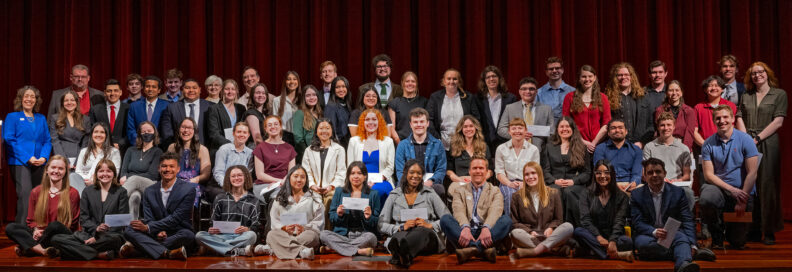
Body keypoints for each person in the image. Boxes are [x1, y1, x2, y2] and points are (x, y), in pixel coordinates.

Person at [631, 158, 715, 272]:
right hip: (648, 235)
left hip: (672, 233)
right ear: (644, 176)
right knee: (643, 245)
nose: (654, 175)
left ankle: (683, 265)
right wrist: (654, 232)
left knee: (681, 237)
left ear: (665, 173)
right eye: (650, 172)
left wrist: (693, 244)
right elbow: (637, 222)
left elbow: (687, 220)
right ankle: (685, 252)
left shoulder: (678, 192)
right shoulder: (637, 194)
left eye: (658, 171)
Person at [736, 62, 786, 245]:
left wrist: (757, 139)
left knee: (767, 186)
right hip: (748, 142)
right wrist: (745, 140)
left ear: (767, 73)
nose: (757, 75)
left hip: (768, 143)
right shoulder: (746, 95)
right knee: (750, 187)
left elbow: (778, 122)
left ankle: (769, 230)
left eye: (760, 72)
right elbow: (739, 116)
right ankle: (753, 229)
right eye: (753, 73)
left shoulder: (779, 94)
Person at [700, 105, 759, 249]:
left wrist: (742, 198)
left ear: (732, 119)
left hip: (742, 192)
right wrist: (731, 189)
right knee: (706, 199)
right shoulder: (708, 143)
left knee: (737, 242)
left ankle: (731, 230)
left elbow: (752, 173)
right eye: (718, 118)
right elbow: (708, 175)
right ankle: (717, 235)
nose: (722, 121)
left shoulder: (746, 140)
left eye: (725, 117)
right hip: (720, 189)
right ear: (714, 121)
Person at [120, 152, 194, 260]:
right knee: (129, 230)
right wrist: (157, 231)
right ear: (159, 169)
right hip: (155, 233)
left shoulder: (188, 189)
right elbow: (149, 218)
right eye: (164, 166)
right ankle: (167, 253)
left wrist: (149, 227)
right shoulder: (149, 191)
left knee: (188, 235)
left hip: (177, 231)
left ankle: (142, 250)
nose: (167, 169)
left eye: (171, 166)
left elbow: (176, 218)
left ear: (178, 169)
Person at [49, 159, 128, 260]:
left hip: (110, 235)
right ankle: (98, 254)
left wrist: (97, 237)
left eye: (108, 171)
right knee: (56, 239)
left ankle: (72, 252)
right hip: (88, 234)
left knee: (115, 240)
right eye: (101, 171)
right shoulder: (87, 191)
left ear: (114, 174)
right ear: (96, 173)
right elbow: (84, 218)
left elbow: (122, 220)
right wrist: (96, 230)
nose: (105, 174)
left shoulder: (121, 192)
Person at [378, 159, 449, 268]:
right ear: (405, 173)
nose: (415, 176)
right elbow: (381, 225)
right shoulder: (394, 195)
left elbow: (448, 218)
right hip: (403, 232)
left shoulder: (430, 193)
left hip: (427, 235)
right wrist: (400, 227)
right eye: (412, 172)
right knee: (399, 237)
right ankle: (404, 256)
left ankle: (400, 253)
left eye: (419, 173)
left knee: (420, 232)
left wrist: (431, 225)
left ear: (422, 176)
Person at [440, 157, 511, 264]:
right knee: (445, 219)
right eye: (474, 168)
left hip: (487, 233)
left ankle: (470, 250)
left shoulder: (495, 190)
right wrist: (465, 227)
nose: (478, 171)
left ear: (487, 172)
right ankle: (482, 251)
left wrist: (486, 227)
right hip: (465, 233)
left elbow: (496, 211)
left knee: (506, 221)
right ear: (469, 171)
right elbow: (458, 210)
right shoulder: (459, 190)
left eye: (481, 168)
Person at [5, 155, 79, 257]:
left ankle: (31, 248)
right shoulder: (36, 191)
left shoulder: (73, 193)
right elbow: (30, 220)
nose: (56, 171)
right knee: (11, 227)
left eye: (61, 168)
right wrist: (36, 230)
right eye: (53, 167)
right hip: (39, 233)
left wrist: (45, 232)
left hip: (60, 235)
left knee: (55, 225)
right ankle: (43, 251)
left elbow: (73, 223)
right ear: (47, 170)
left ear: (66, 171)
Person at [4, 86, 52, 223]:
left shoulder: (41, 118)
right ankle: (22, 232)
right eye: (26, 96)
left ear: (36, 100)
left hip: (39, 162)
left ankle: (36, 229)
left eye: (32, 97)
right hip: (20, 161)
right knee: (25, 195)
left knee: (39, 195)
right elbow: (9, 139)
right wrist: (27, 157)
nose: (29, 99)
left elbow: (47, 141)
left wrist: (43, 157)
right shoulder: (13, 117)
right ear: (21, 99)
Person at [509, 161, 574, 258]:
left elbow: (558, 220)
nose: (530, 177)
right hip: (530, 236)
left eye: (533, 173)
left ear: (540, 174)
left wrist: (551, 228)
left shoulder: (554, 193)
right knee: (515, 233)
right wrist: (529, 232)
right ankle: (552, 250)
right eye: (527, 174)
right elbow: (515, 223)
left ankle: (535, 251)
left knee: (568, 226)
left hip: (549, 235)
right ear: (523, 177)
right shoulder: (516, 196)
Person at [573, 160, 634, 262]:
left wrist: (612, 241)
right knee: (578, 231)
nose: (602, 176)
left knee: (627, 241)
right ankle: (613, 255)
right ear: (594, 175)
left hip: (612, 235)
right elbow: (585, 220)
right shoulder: (586, 193)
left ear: (612, 174)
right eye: (598, 173)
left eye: (606, 172)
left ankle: (599, 251)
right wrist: (598, 237)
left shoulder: (622, 196)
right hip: (594, 235)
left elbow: (620, 221)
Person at [195, 166, 262, 257]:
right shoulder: (220, 198)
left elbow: (256, 225)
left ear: (245, 177)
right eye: (233, 176)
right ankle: (236, 250)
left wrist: (247, 229)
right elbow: (213, 222)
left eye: (239, 175)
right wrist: (212, 229)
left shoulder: (253, 200)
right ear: (228, 179)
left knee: (252, 235)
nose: (236, 178)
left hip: (241, 236)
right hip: (220, 236)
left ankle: (218, 248)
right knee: (199, 236)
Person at [319, 161, 380, 257]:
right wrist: (339, 215)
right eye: (352, 173)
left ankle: (334, 248)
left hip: (363, 234)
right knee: (323, 234)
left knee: (372, 238)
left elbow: (376, 221)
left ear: (365, 176)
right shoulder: (339, 191)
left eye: (359, 173)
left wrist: (369, 217)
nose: (356, 176)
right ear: (348, 176)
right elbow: (332, 216)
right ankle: (359, 251)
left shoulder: (374, 194)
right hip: (343, 234)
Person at [265, 166, 324, 260]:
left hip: (305, 234)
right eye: (295, 176)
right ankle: (301, 252)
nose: (299, 180)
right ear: (289, 178)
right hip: (285, 234)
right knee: (271, 235)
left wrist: (304, 228)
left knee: (312, 236)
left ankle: (275, 249)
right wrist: (284, 228)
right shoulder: (279, 198)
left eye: (302, 177)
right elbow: (275, 221)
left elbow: (319, 223)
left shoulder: (315, 198)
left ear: (306, 180)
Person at [541, 116, 591, 224]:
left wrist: (573, 181)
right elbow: (545, 170)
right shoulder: (549, 147)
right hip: (554, 182)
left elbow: (587, 173)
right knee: (555, 191)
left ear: (573, 129)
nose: (564, 129)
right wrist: (555, 181)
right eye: (561, 126)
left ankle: (573, 227)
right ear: (557, 129)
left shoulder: (581, 147)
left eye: (567, 126)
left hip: (575, 184)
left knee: (569, 192)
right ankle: (555, 226)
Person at [643, 112, 695, 210]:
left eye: (669, 125)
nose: (666, 128)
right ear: (658, 127)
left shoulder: (683, 148)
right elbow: (645, 174)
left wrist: (676, 181)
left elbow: (687, 175)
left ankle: (686, 223)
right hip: (655, 184)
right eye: (662, 125)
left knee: (688, 193)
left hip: (677, 185)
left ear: (674, 127)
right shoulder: (649, 147)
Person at [347, 109, 396, 206]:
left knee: (378, 191)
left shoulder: (388, 141)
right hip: (358, 180)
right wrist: (363, 181)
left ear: (379, 122)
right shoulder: (353, 141)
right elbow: (350, 166)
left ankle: (380, 220)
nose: (371, 122)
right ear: (362, 122)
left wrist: (375, 180)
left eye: (374, 119)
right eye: (367, 119)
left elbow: (390, 167)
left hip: (382, 180)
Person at [395, 108, 447, 199]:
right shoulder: (402, 145)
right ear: (410, 124)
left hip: (431, 183)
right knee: (398, 189)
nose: (419, 125)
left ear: (427, 123)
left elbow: (441, 169)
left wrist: (430, 182)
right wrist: (411, 183)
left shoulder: (438, 144)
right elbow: (400, 171)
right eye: (415, 122)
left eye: (422, 121)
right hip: (408, 181)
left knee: (439, 189)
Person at [495, 118, 540, 216]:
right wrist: (509, 183)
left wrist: (525, 183)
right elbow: (499, 173)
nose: (517, 131)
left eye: (520, 128)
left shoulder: (533, 149)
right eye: (514, 128)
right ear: (509, 131)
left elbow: (535, 172)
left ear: (525, 131)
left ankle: (528, 226)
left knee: (528, 195)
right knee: (511, 194)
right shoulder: (501, 149)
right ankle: (511, 226)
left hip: (528, 182)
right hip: (507, 182)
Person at [427, 69, 480, 150]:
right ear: (443, 81)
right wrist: (437, 138)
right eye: (448, 79)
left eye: (455, 79)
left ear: (459, 81)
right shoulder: (435, 97)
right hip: (441, 144)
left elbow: (476, 119)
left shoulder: (468, 97)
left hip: (464, 143)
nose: (451, 81)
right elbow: (429, 120)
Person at [302, 119, 347, 217]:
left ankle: (328, 230)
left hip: (332, 188)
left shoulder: (339, 150)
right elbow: (306, 172)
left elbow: (341, 173)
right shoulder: (308, 150)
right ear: (316, 131)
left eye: (327, 128)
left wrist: (331, 186)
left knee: (331, 198)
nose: (324, 131)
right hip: (313, 188)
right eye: (321, 128)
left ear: (332, 131)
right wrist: (313, 185)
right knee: (310, 200)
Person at [563, 65, 611, 152]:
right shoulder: (569, 97)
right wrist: (583, 142)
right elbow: (567, 122)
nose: (587, 79)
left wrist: (594, 143)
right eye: (584, 76)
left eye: (590, 76)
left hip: (599, 144)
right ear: (579, 79)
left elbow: (606, 124)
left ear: (595, 78)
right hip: (577, 143)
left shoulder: (603, 97)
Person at [498, 77, 554, 152]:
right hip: (515, 151)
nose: (528, 91)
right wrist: (518, 135)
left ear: (536, 91)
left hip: (539, 152)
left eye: (531, 89)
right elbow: (501, 129)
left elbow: (552, 132)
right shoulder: (510, 108)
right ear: (519, 91)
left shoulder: (547, 109)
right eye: (524, 89)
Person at [120, 121, 162, 219]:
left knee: (135, 179)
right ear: (139, 134)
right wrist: (127, 178)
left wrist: (129, 177)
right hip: (131, 184)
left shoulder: (158, 151)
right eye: (143, 131)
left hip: (150, 184)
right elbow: (123, 172)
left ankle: (113, 204)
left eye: (149, 131)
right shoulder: (130, 150)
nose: (146, 133)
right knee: (135, 197)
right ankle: (132, 226)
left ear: (154, 133)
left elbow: (152, 175)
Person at [605, 62, 654, 148]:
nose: (623, 77)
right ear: (615, 78)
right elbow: (606, 124)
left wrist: (642, 143)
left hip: (640, 146)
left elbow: (651, 124)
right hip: (617, 145)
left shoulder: (644, 97)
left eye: (626, 74)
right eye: (619, 75)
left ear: (632, 77)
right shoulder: (608, 98)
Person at [167, 118, 214, 204]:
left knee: (189, 190)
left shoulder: (202, 149)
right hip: (175, 182)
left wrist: (191, 181)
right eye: (183, 127)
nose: (186, 130)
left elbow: (206, 174)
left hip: (193, 183)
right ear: (179, 129)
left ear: (194, 131)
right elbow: (167, 168)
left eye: (189, 128)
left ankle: (187, 217)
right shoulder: (172, 147)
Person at [252, 115, 297, 200]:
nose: (273, 127)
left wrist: (284, 181)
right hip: (264, 184)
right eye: (269, 125)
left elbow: (292, 172)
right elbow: (260, 175)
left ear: (280, 127)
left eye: (276, 124)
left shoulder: (289, 148)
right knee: (279, 196)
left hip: (285, 183)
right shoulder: (260, 147)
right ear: (265, 129)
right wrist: (279, 181)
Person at [446, 115, 492, 197]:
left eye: (471, 126)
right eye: (465, 127)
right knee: (460, 192)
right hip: (460, 181)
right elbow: (449, 170)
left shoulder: (484, 146)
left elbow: (490, 170)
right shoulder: (454, 146)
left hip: (480, 180)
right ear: (461, 129)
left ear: (476, 128)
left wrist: (480, 180)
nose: (468, 129)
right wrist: (458, 179)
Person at [159, 78, 212, 148]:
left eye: (194, 88)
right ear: (182, 90)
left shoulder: (210, 107)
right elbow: (167, 133)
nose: (191, 90)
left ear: (200, 90)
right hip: (179, 150)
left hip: (205, 149)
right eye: (187, 88)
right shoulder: (172, 108)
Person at [593, 119, 643, 192]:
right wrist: (613, 185)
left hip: (629, 184)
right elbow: (600, 172)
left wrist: (634, 183)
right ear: (608, 133)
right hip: (607, 184)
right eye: (613, 128)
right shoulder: (600, 149)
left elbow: (637, 173)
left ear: (626, 131)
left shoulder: (636, 150)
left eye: (620, 128)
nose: (617, 130)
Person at [72, 123, 122, 195]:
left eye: (102, 132)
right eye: (96, 132)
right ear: (92, 134)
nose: (98, 135)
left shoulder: (114, 152)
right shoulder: (84, 151)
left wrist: (95, 180)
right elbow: (78, 172)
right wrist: (88, 180)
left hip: (103, 183)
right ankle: (83, 198)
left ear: (106, 135)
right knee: (72, 176)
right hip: (83, 183)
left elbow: (115, 173)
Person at [476, 66, 518, 152]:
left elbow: (514, 121)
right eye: (488, 77)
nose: (491, 79)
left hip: (506, 143)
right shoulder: (477, 99)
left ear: (499, 78)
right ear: (484, 80)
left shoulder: (511, 98)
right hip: (485, 143)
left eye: (494, 76)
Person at [205, 79, 246, 161]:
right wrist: (232, 145)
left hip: (240, 150)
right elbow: (214, 134)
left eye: (233, 89)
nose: (230, 92)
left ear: (237, 91)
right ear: (222, 91)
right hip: (220, 150)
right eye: (227, 89)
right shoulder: (214, 109)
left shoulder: (241, 108)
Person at [693, 75, 737, 147]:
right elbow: (694, 131)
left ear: (722, 89)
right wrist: (706, 146)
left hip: (729, 146)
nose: (713, 88)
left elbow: (735, 128)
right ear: (705, 90)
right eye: (710, 86)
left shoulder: (731, 106)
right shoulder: (698, 108)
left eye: (716, 85)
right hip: (705, 147)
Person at [654, 80, 697, 150]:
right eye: (671, 90)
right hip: (664, 145)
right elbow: (658, 131)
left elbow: (689, 133)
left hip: (683, 145)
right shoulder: (660, 110)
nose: (674, 93)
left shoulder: (689, 111)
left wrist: (685, 149)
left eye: (677, 90)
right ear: (666, 93)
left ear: (681, 93)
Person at [126, 76, 169, 145]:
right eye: (147, 86)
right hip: (139, 146)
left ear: (159, 90)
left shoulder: (167, 106)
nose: (150, 89)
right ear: (143, 88)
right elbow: (131, 129)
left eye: (154, 87)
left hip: (160, 146)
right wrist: (140, 142)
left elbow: (168, 130)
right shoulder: (134, 106)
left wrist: (156, 142)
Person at [89, 79, 130, 153]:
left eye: (116, 90)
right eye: (109, 91)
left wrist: (120, 144)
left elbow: (131, 130)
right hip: (101, 150)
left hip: (123, 150)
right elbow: (92, 130)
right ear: (104, 93)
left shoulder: (129, 109)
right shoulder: (95, 110)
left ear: (120, 92)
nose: (112, 93)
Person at [388, 71, 428, 145]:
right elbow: (391, 128)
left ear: (416, 84)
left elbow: (427, 125)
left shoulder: (424, 102)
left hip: (421, 144)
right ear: (402, 83)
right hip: (400, 143)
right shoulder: (394, 103)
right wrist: (400, 144)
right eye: (407, 81)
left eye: (413, 81)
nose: (410, 84)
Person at [50, 90, 90, 162]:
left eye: (72, 100)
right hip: (60, 158)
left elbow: (85, 143)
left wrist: (79, 161)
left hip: (79, 158)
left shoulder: (85, 119)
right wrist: (63, 160)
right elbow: (54, 141)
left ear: (76, 102)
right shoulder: (55, 118)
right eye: (66, 100)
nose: (69, 103)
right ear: (62, 103)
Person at [213, 122, 253, 188]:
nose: (241, 134)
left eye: (244, 132)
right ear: (233, 133)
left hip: (241, 187)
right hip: (223, 186)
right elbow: (218, 172)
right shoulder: (224, 149)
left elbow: (248, 175)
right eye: (239, 132)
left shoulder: (250, 153)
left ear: (248, 135)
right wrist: (228, 187)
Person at [293, 85, 324, 162]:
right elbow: (298, 139)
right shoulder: (299, 113)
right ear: (304, 98)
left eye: (314, 95)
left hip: (320, 153)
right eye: (308, 95)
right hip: (307, 156)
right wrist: (308, 154)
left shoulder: (320, 113)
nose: (311, 98)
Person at [324, 76, 353, 146]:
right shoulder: (330, 107)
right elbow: (331, 131)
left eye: (343, 86)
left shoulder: (347, 105)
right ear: (333, 89)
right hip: (338, 146)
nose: (341, 89)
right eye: (337, 87)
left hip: (348, 144)